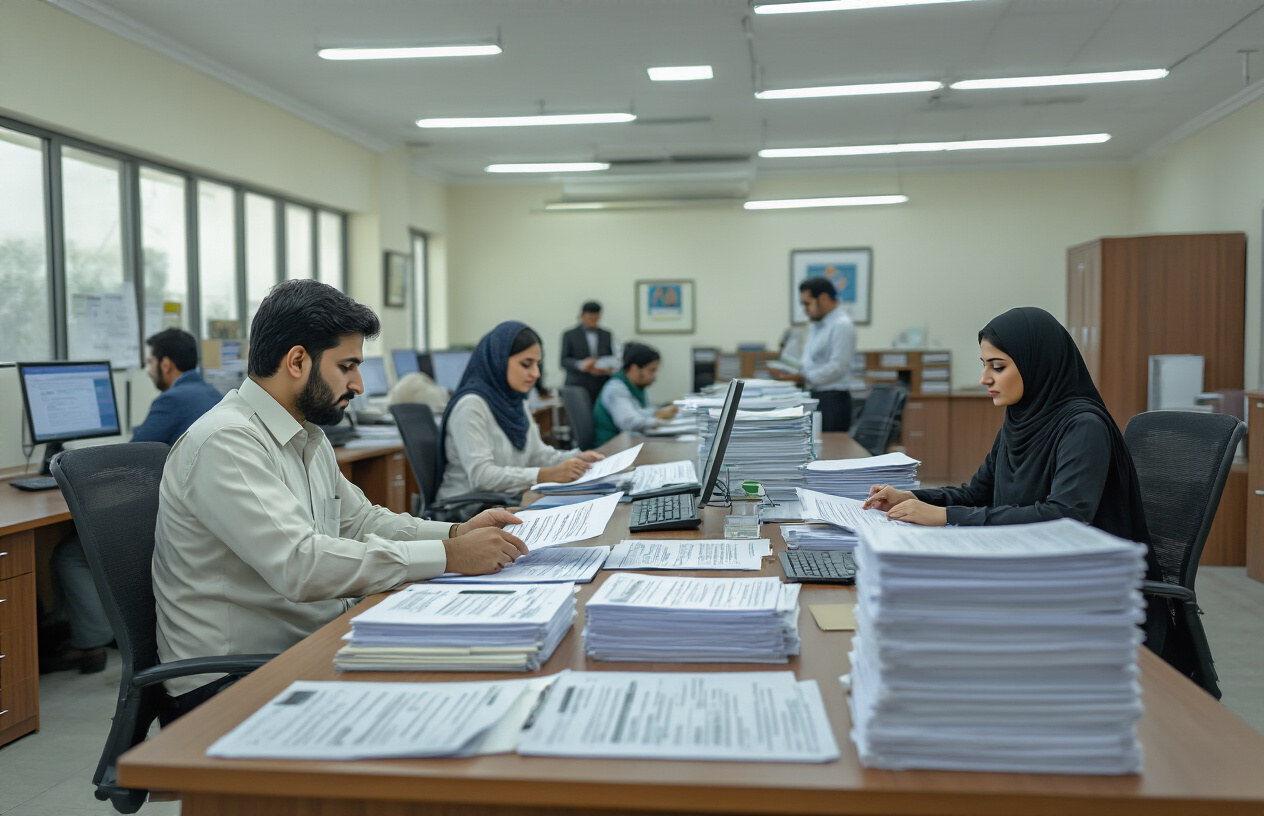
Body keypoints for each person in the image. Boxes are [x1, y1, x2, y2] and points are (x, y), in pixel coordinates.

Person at [151, 280, 528, 704]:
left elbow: (360, 521)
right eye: (347, 367)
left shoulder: (306, 435)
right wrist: (450, 556)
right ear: (297, 361)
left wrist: (456, 533)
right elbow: (299, 563)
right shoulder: (227, 441)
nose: (359, 385)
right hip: (232, 680)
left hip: (307, 646)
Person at [862, 306, 1150, 543]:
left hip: (1084, 574)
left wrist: (946, 516)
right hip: (1023, 555)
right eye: (984, 364)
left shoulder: (1084, 427)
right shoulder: (1020, 419)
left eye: (998, 367)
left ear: (1036, 364)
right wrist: (910, 497)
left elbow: (1065, 516)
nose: (984, 378)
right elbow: (977, 494)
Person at [44, 328, 223, 674]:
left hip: (172, 516)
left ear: (166, 364)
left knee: (68, 553)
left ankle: (89, 643)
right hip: (202, 513)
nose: (148, 369)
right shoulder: (211, 393)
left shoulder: (172, 400)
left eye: (150, 362)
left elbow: (126, 461)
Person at [438, 321, 604, 500]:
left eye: (537, 365)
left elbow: (537, 454)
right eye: (526, 364)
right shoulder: (470, 405)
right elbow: (482, 476)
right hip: (467, 507)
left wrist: (576, 459)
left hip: (504, 500)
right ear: (499, 360)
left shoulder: (516, 402)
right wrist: (546, 474)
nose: (536, 374)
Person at [770, 278, 857, 432]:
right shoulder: (816, 325)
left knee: (832, 445)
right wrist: (791, 373)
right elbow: (810, 362)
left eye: (808, 304)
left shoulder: (842, 325)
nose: (805, 310)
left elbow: (838, 367)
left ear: (823, 298)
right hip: (814, 394)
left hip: (833, 400)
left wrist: (804, 378)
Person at [593, 342, 677, 446]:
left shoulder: (636, 386)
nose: (653, 376)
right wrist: (658, 418)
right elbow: (630, 422)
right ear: (635, 369)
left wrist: (659, 413)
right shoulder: (615, 388)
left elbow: (639, 412)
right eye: (651, 371)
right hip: (610, 448)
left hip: (628, 444)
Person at [560, 300, 615, 405]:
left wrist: (606, 368)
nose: (593, 322)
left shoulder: (606, 334)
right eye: (590, 318)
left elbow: (610, 357)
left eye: (596, 319)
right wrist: (582, 365)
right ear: (582, 316)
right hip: (578, 385)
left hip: (601, 385)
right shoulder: (570, 335)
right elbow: (564, 361)